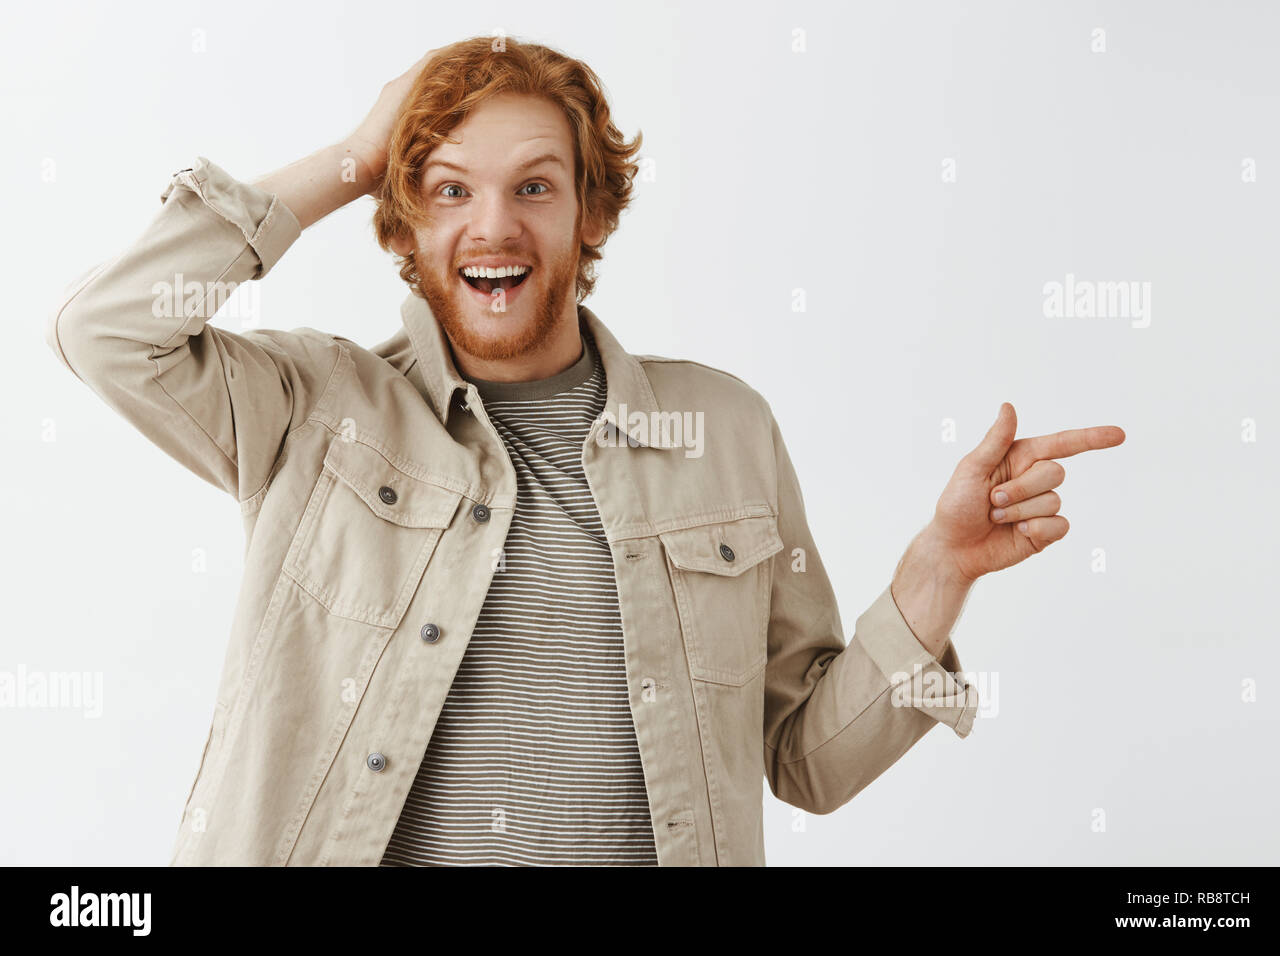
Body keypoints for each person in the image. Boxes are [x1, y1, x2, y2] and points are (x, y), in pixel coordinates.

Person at [45, 36, 1125, 866]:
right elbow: (108, 329)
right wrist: (355, 157)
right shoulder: (313, 408)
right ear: (403, 224)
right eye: (448, 188)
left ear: (588, 213)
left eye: (533, 185)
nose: (493, 226)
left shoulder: (723, 429)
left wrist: (936, 575)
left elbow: (808, 762)